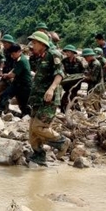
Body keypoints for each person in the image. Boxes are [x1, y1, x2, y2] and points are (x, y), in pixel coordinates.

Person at [27, 31, 70, 166]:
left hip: (49, 98)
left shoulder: (53, 54)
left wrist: (51, 88)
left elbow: (60, 73)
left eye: (34, 43)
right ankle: (39, 155)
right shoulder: (39, 56)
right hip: (37, 98)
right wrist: (33, 55)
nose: (32, 45)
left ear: (42, 44)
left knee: (39, 127)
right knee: (32, 130)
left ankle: (62, 141)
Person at [0, 44, 32, 117]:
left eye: (13, 54)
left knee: (23, 104)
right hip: (17, 83)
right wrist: (7, 74)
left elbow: (12, 75)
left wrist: (5, 75)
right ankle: (0, 111)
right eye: (11, 54)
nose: (11, 56)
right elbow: (14, 70)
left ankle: (27, 117)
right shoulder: (19, 59)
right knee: (4, 95)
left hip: (24, 85)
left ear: (19, 51)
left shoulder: (22, 61)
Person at [59, 45, 84, 113]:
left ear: (73, 53)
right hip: (67, 84)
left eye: (68, 52)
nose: (67, 53)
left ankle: (76, 113)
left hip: (75, 84)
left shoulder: (78, 62)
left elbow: (82, 73)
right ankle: (72, 113)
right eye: (66, 52)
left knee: (70, 98)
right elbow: (61, 71)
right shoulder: (64, 61)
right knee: (70, 98)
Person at [0, 34, 17, 101]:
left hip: (13, 76)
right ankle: (2, 106)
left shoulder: (15, 51)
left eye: (5, 43)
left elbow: (17, 65)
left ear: (10, 43)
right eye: (3, 42)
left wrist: (12, 75)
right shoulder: (4, 50)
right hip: (5, 75)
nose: (4, 44)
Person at [82, 48, 104, 113]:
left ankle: (94, 117)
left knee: (89, 102)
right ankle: (94, 117)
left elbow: (94, 78)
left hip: (97, 87)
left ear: (90, 56)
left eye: (85, 57)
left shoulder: (96, 64)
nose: (85, 58)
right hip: (92, 87)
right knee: (94, 103)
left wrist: (84, 78)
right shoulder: (90, 63)